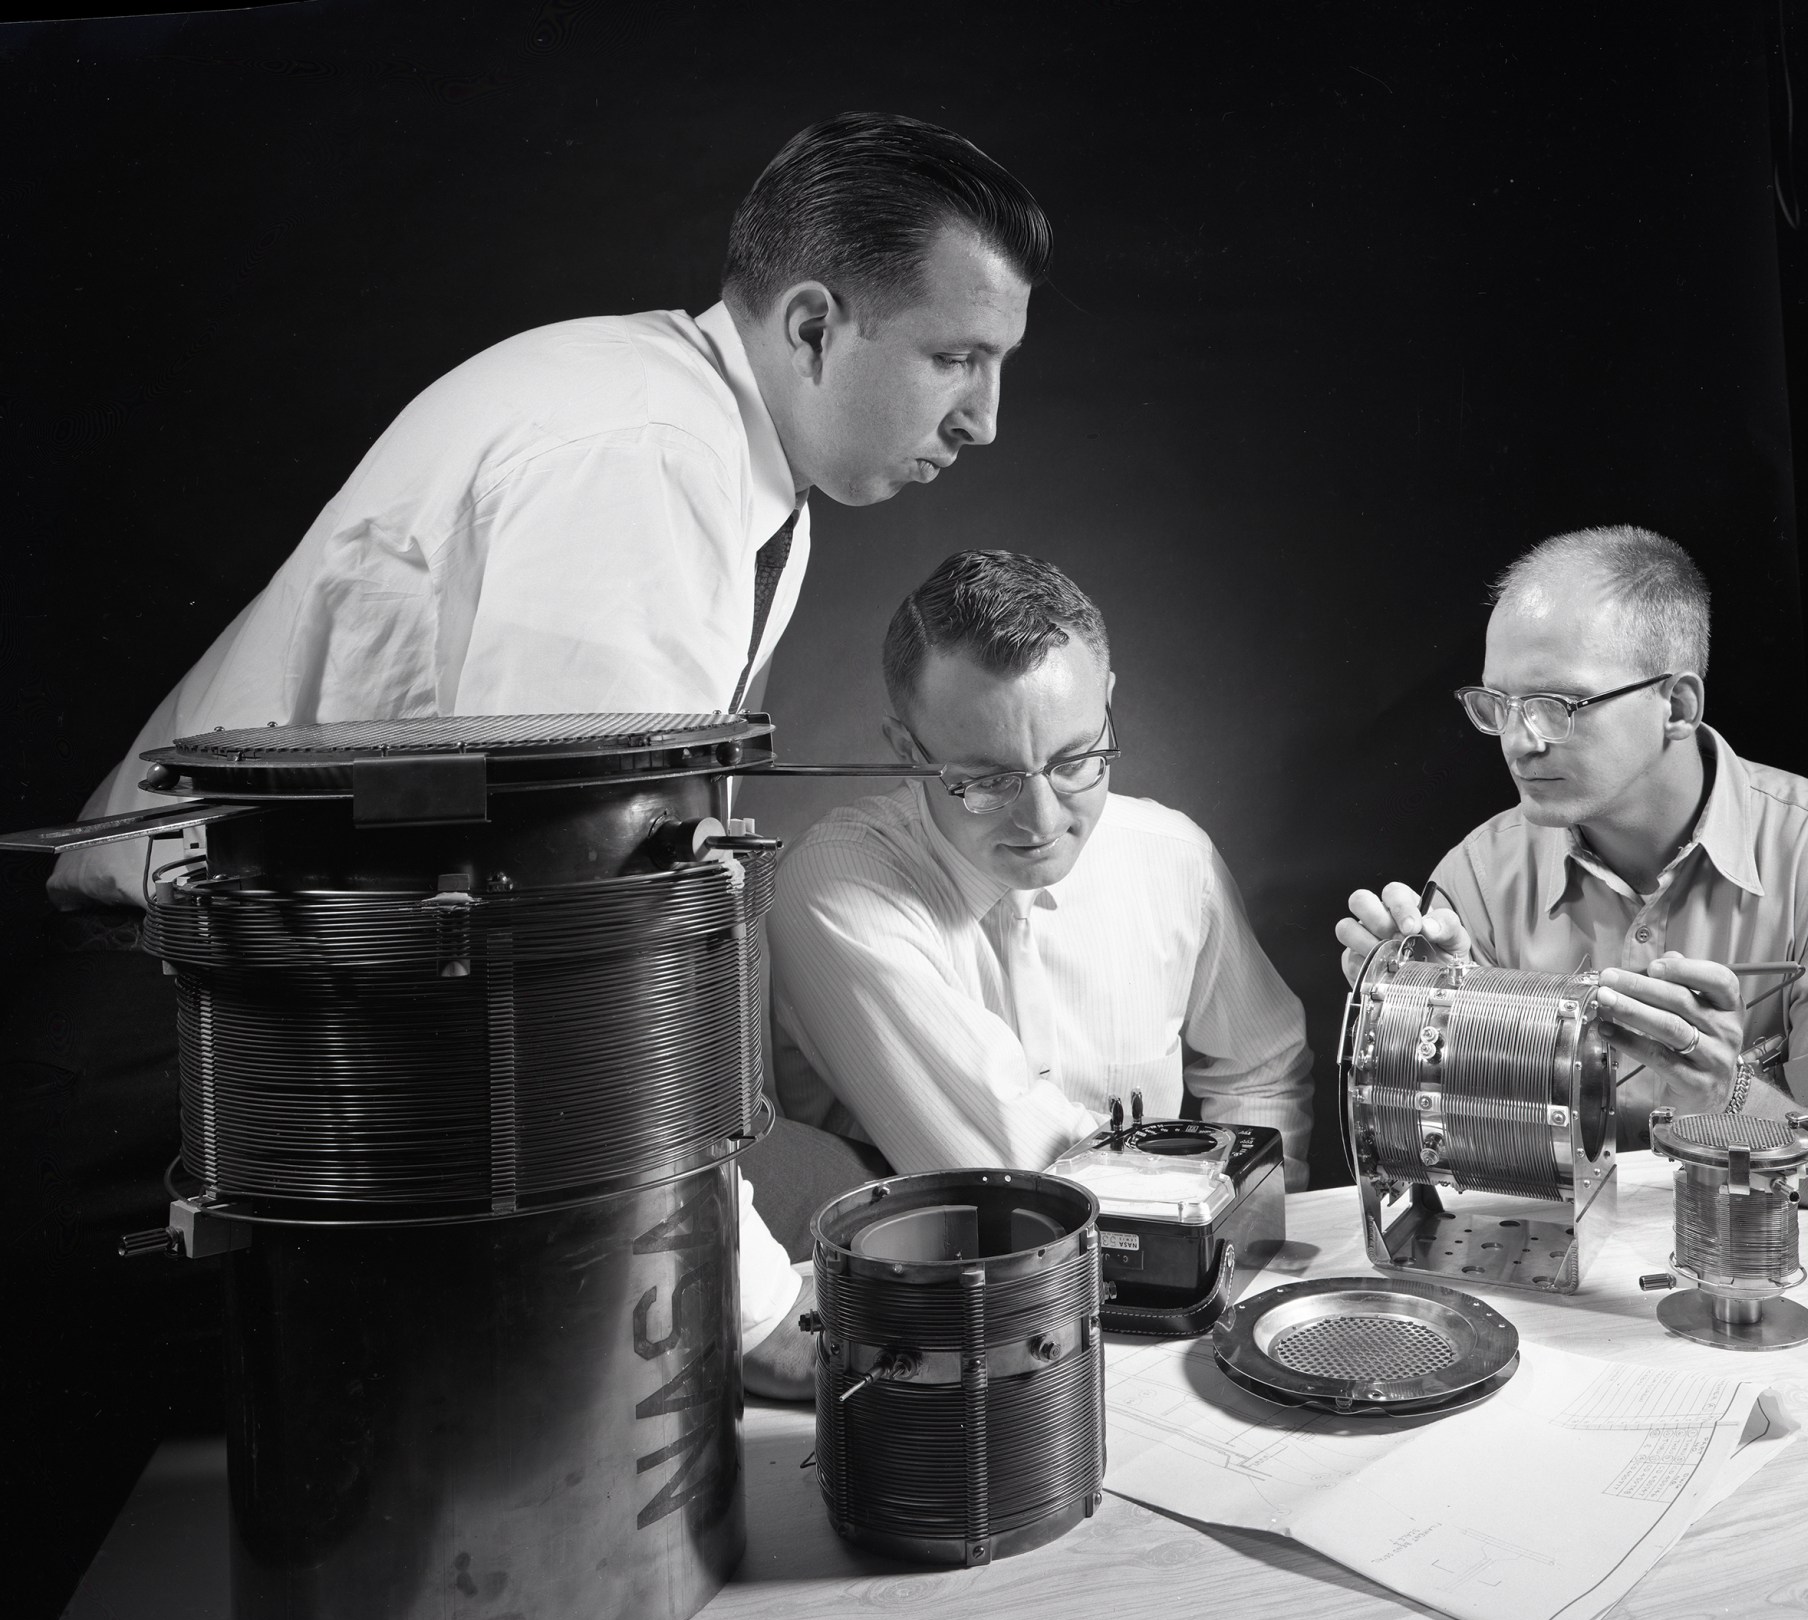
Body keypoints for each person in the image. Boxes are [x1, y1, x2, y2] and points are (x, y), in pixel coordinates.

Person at [41, 112, 1051, 1394]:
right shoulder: (638, 465)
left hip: (309, 1028)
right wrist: (742, 1310)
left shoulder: (732, 467)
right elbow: (577, 944)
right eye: (957, 358)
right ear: (809, 328)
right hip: (193, 1059)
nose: (987, 418)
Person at [1334, 526, 1808, 1242]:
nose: (1517, 740)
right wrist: (1431, 1020)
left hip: (1770, 1291)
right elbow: (1435, 1177)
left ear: (1679, 706)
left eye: (1558, 705)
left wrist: (1731, 1099)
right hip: (1559, 1298)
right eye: (1498, 703)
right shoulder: (1474, 876)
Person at [770, 549, 1313, 1182]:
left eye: (1075, 760)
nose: (1044, 821)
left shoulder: (1177, 858)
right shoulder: (829, 887)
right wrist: (1210, 1205)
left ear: (1107, 701)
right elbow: (1022, 1174)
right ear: (904, 751)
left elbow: (1261, 1067)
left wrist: (1243, 1236)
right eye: (991, 778)